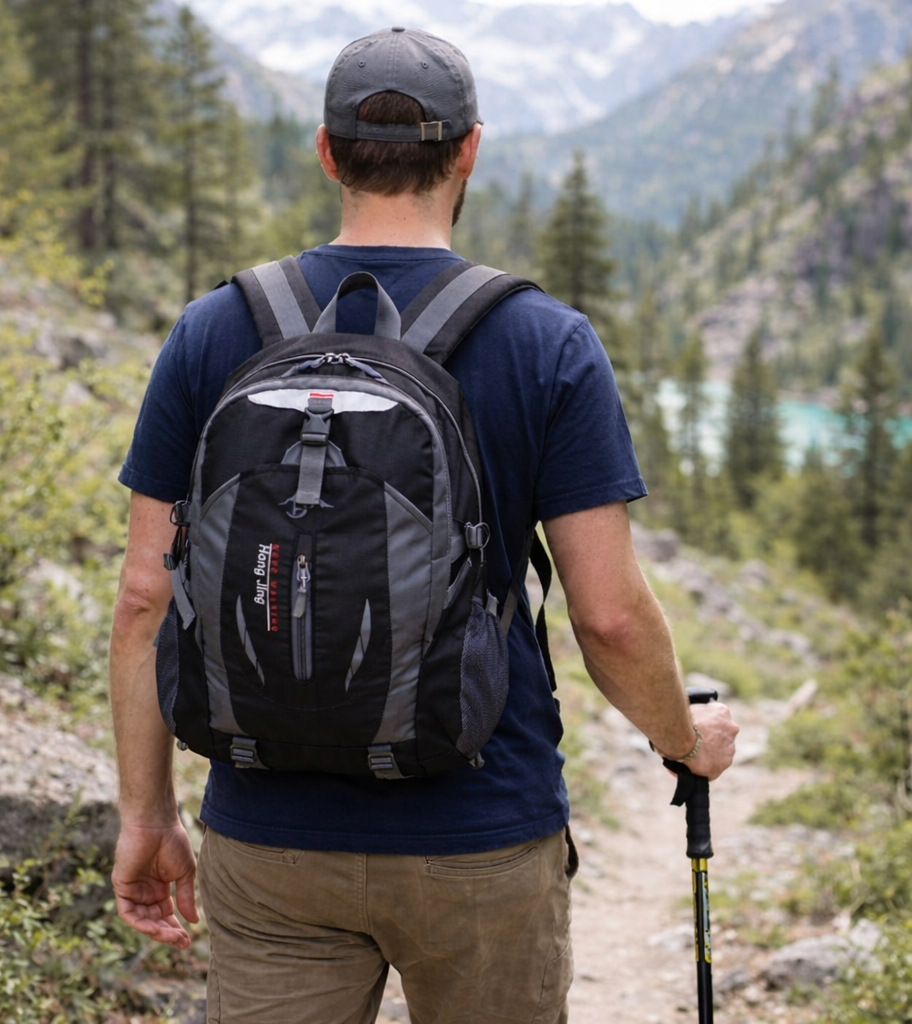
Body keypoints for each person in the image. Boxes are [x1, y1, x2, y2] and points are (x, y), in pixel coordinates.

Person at [109, 26, 739, 1024]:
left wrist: (145, 814)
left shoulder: (214, 329)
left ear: (325, 152)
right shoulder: (545, 342)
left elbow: (147, 597)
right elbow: (610, 617)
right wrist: (683, 739)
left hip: (268, 839)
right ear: (470, 150)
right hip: (480, 832)